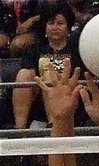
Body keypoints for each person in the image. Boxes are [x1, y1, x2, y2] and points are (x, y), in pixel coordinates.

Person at [12, 0, 77, 130]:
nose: (55, 27)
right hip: (40, 99)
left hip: (69, 96)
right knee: (24, 74)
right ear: (45, 28)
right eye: (51, 23)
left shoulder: (76, 50)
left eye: (60, 23)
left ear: (68, 27)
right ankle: (19, 130)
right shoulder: (35, 50)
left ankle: (54, 125)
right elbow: (30, 76)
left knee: (49, 74)